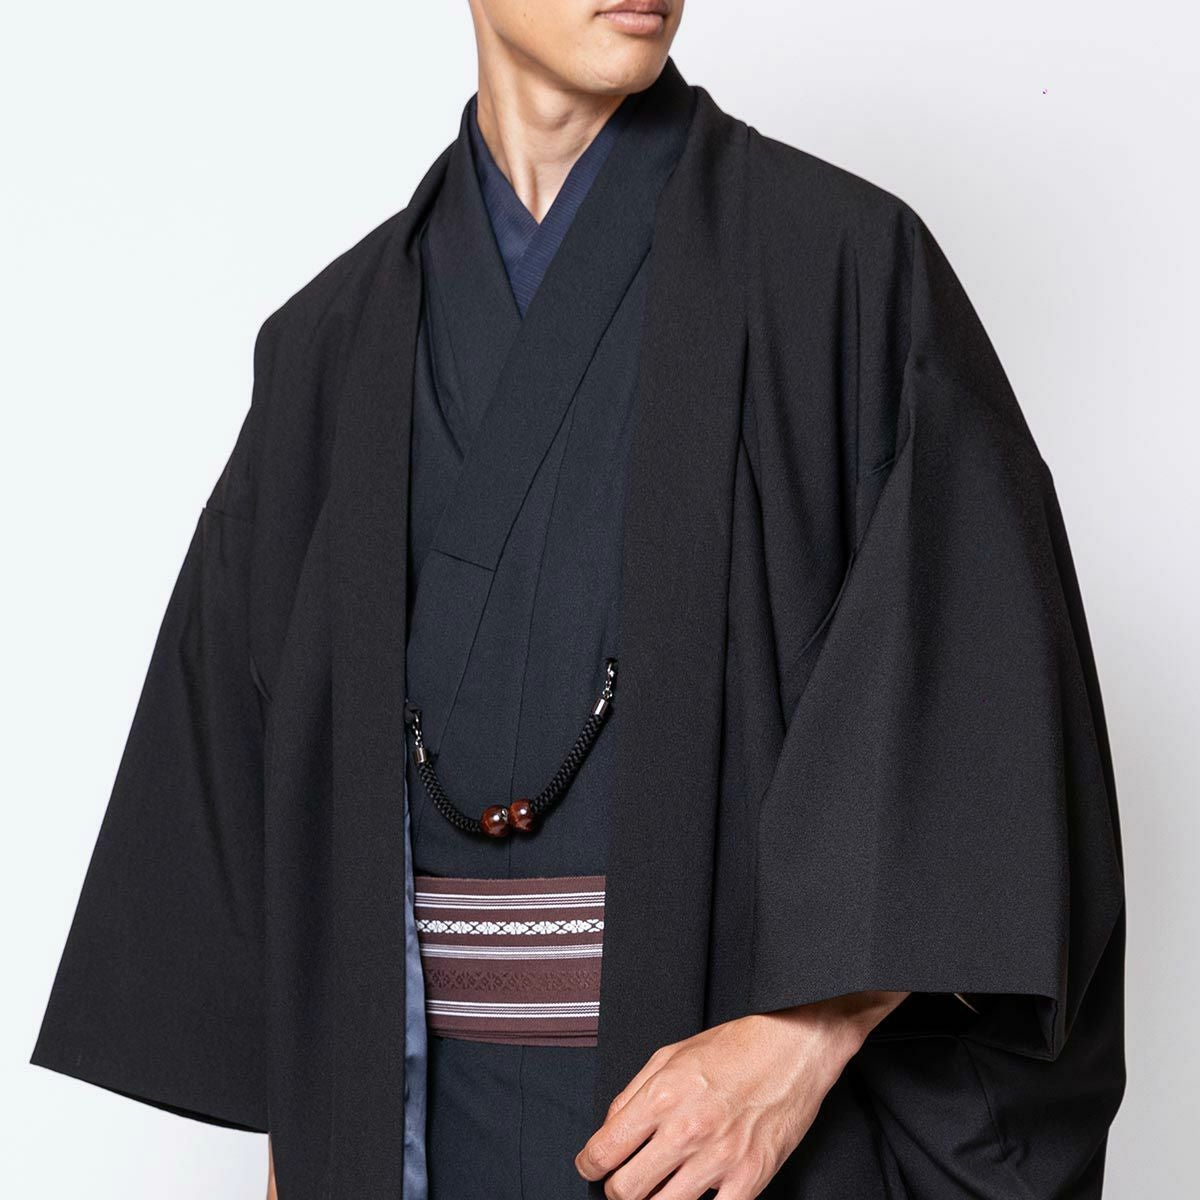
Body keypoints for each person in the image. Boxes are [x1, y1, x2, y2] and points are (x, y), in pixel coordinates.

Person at [32, 2, 1126, 1198]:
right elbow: (275, 845)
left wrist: (798, 1048)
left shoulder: (841, 269)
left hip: (729, 1147)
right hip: (416, 1140)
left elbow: (982, 734)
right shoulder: (325, 353)